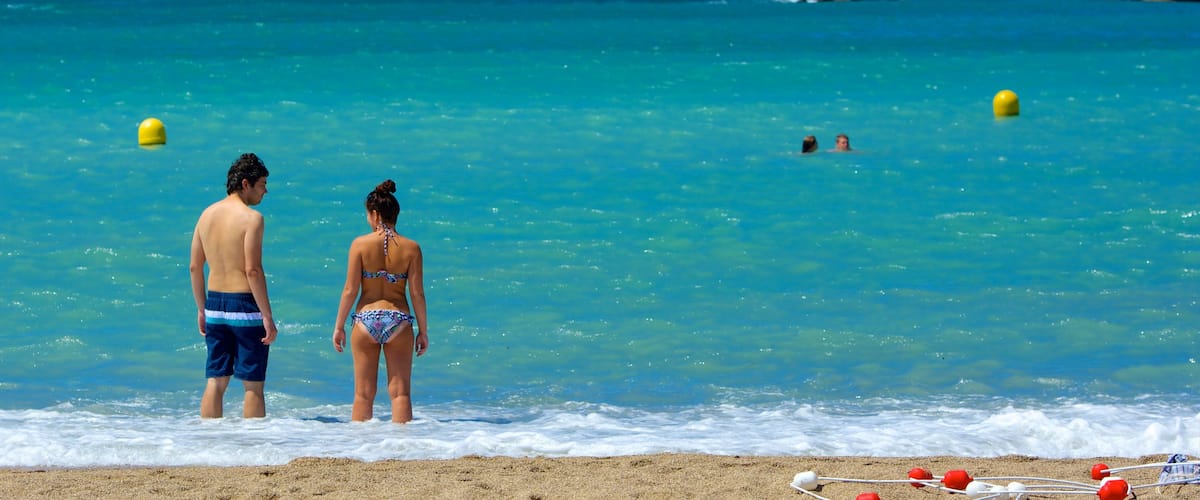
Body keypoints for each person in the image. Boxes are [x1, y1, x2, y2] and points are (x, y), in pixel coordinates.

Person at [189, 152, 278, 419]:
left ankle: (211, 444)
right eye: (261, 184)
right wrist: (267, 315)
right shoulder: (252, 219)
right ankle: (252, 449)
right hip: (244, 306)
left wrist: (201, 308)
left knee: (216, 381)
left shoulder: (206, 215)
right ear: (245, 184)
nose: (265, 191)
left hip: (215, 304)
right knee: (253, 386)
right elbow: (252, 270)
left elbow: (195, 266)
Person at [333, 180, 429, 423]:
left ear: (375, 214)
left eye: (368, 215)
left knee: (363, 394)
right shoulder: (412, 248)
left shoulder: (359, 245)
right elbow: (417, 293)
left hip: (366, 320)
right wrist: (423, 331)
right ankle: (402, 449)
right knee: (400, 393)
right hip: (399, 320)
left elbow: (350, 289)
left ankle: (361, 451)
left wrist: (339, 326)